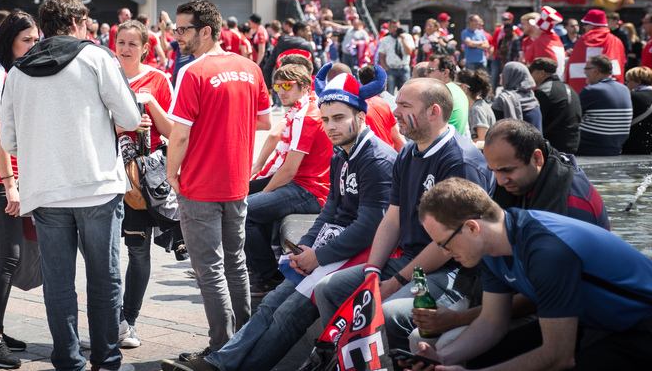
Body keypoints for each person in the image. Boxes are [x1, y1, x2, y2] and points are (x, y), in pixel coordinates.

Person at [163, 68, 397, 371]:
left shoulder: (376, 159)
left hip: (359, 255)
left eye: (339, 118)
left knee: (287, 315)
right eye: (326, 119)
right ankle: (220, 363)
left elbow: (369, 227)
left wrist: (318, 255)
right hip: (332, 250)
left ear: (361, 116)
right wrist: (304, 246)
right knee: (272, 303)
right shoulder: (341, 153)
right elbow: (331, 210)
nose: (330, 127)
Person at [0, 0, 140, 371]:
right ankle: (107, 359)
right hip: (96, 185)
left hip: (45, 189)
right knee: (104, 278)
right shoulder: (96, 58)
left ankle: (68, 359)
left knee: (59, 284)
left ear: (43, 27)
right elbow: (129, 116)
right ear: (78, 23)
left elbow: (8, 140)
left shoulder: (17, 71)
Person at [414, 178, 652, 370]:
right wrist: (442, 359)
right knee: (478, 359)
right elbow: (492, 323)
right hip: (599, 325)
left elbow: (558, 357)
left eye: (444, 243)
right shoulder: (492, 248)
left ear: (472, 228)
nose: (445, 252)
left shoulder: (546, 251)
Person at [311, 78, 492, 351]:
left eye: (405, 105)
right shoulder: (408, 152)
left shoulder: (460, 161)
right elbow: (392, 218)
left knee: (389, 312)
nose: (394, 112)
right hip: (408, 261)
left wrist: (396, 282)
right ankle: (343, 358)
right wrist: (373, 270)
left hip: (451, 271)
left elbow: (448, 246)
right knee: (328, 289)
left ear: (434, 111)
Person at [166, 0, 272, 357]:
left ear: (205, 31)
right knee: (235, 263)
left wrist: (171, 172)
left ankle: (222, 347)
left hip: (201, 182)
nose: (177, 36)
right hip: (236, 180)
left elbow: (179, 134)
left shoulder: (192, 72)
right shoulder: (250, 68)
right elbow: (264, 121)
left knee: (209, 269)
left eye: (183, 29)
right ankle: (244, 342)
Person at [0, 11, 39, 370]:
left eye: (35, 39)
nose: (33, 45)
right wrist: (11, 185)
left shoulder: (9, 72)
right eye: (26, 40)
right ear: (10, 40)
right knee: (9, 257)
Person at [112, 19, 175, 349]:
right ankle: (108, 317)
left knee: (138, 251)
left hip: (141, 182)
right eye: (120, 42)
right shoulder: (104, 74)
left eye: (132, 44)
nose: (124, 49)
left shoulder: (159, 79)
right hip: (106, 176)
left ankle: (128, 321)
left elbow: (173, 132)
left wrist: (150, 104)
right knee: (104, 253)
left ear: (145, 49)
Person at [245, 63, 331, 296]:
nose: (281, 91)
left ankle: (267, 277)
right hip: (306, 184)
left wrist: (264, 194)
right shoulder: (304, 109)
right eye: (277, 86)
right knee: (242, 195)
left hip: (310, 190)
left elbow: (289, 170)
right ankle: (257, 266)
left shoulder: (306, 115)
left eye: (287, 86)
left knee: (244, 211)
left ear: (304, 87)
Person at [487, 119, 609, 228]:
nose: (500, 181)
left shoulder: (575, 203)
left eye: (507, 170)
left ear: (537, 159)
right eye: (494, 171)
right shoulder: (528, 182)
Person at [577, 54, 633, 156]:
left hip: (589, 147)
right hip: (615, 147)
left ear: (596, 71)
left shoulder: (591, 90)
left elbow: (572, 118)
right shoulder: (624, 89)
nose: (584, 71)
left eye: (586, 68)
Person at [527, 57, 582, 153]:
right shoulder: (569, 88)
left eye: (532, 73)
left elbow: (537, 122)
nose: (530, 77)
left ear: (542, 73)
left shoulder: (543, 91)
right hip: (573, 144)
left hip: (554, 146)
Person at [566, 8, 626, 93]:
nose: (584, 27)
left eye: (586, 24)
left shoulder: (583, 40)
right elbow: (622, 63)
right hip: (612, 92)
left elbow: (572, 66)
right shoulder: (616, 41)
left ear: (592, 25)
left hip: (583, 93)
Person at [491, 61, 543, 131]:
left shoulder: (502, 100)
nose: (501, 75)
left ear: (512, 75)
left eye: (504, 73)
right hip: (535, 141)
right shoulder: (532, 98)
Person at [427, 56, 471, 136]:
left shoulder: (442, 92)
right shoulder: (457, 89)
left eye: (430, 70)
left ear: (445, 73)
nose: (426, 74)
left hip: (444, 143)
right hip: (454, 141)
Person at [521, 6, 566, 77]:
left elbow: (526, 62)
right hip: (558, 79)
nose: (534, 29)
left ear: (539, 29)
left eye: (535, 26)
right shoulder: (555, 39)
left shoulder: (540, 42)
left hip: (545, 81)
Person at [458, 68, 495, 143]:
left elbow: (482, 140)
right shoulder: (476, 105)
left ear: (464, 87)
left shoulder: (477, 110)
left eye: (456, 85)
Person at [377, 19, 413, 94]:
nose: (395, 29)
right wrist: (385, 68)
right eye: (393, 27)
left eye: (397, 27)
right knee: (390, 92)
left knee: (406, 92)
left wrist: (403, 40)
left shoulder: (407, 37)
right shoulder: (385, 39)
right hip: (391, 69)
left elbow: (409, 52)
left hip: (404, 68)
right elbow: (381, 56)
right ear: (389, 28)